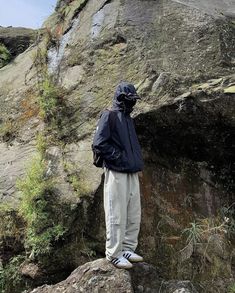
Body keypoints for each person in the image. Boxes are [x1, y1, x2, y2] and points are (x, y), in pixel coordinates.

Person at [92, 82, 144, 269]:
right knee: (116, 212)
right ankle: (113, 253)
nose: (132, 103)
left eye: (133, 100)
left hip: (131, 171)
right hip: (116, 171)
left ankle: (128, 248)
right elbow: (98, 143)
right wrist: (119, 158)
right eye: (129, 99)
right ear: (121, 98)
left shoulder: (128, 119)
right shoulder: (109, 115)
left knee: (133, 213)